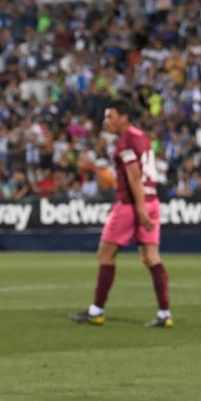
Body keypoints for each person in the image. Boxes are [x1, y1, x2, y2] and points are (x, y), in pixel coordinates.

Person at [70, 99, 172, 328]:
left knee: (105, 255)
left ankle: (96, 311)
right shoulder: (142, 137)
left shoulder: (125, 142)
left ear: (124, 117)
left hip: (131, 204)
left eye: (110, 116)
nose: (105, 121)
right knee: (151, 257)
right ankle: (165, 313)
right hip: (152, 200)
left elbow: (134, 176)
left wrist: (139, 208)